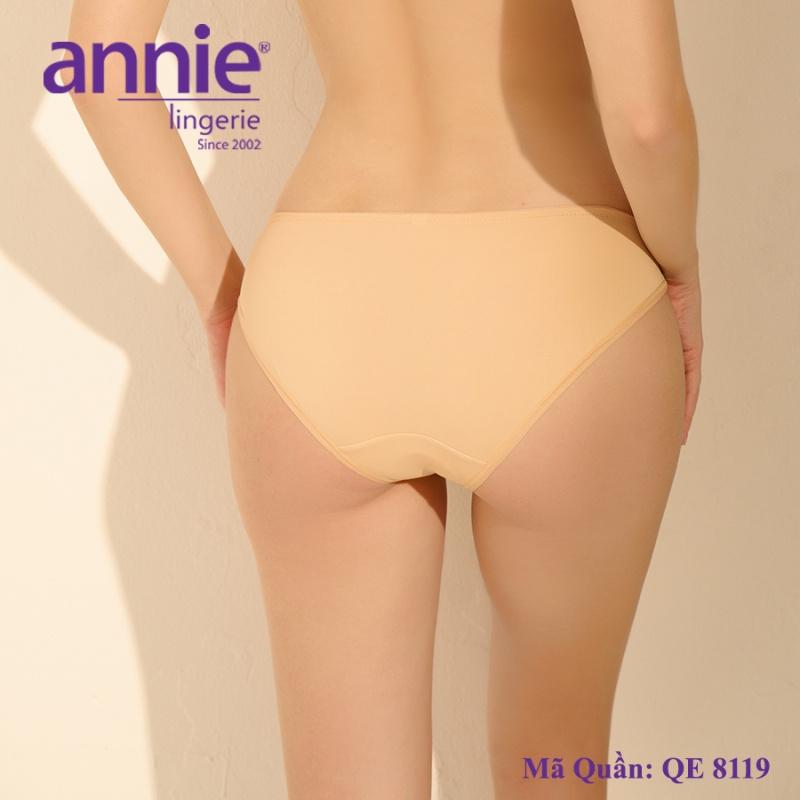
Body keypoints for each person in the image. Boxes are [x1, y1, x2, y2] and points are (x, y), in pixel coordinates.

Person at [68, 0, 702, 796]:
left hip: (318, 301)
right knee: (556, 762)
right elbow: (647, 120)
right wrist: (682, 271)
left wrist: (219, 292)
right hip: (565, 287)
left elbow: (101, 64)